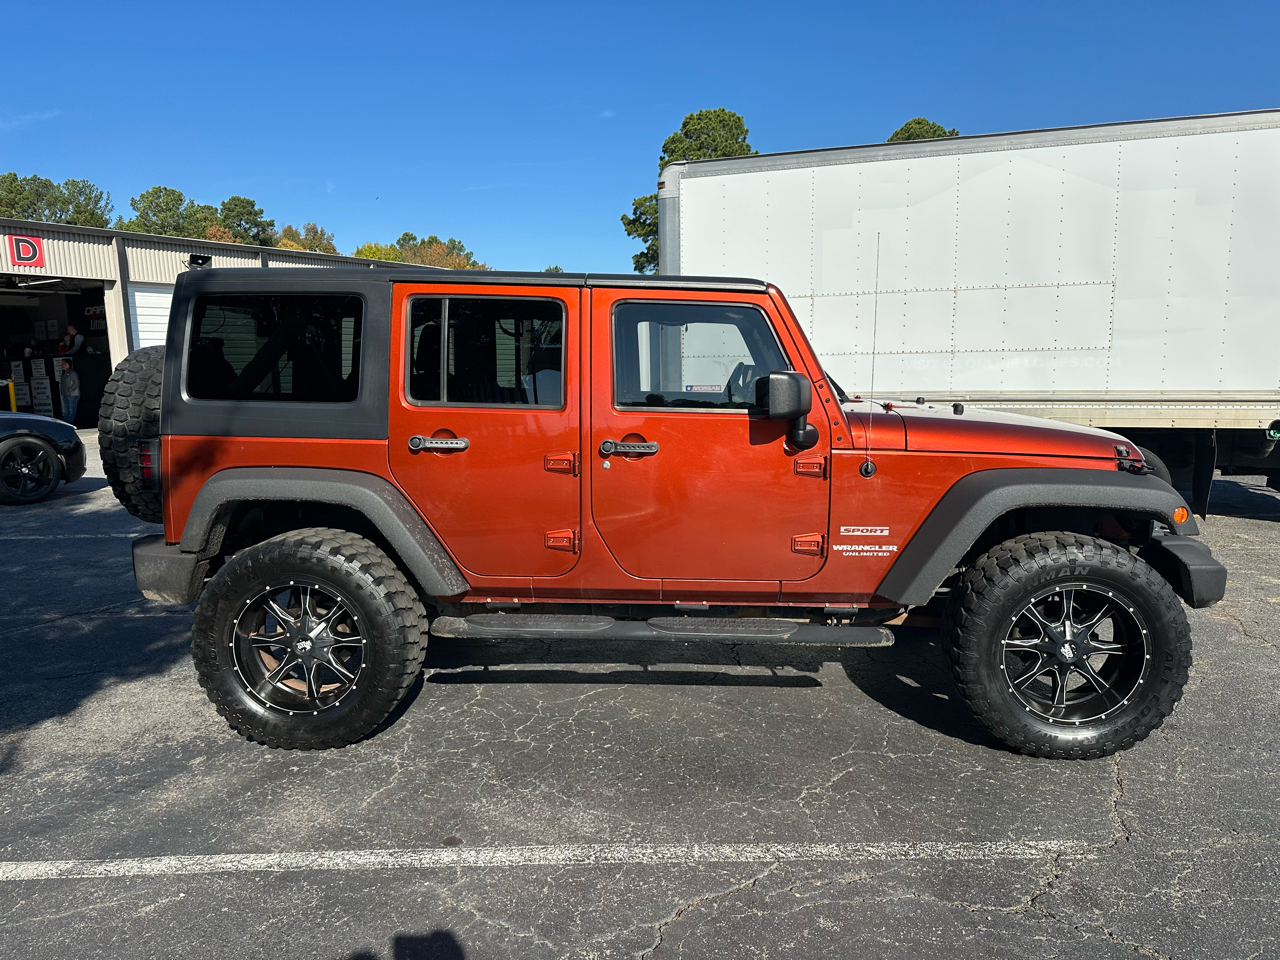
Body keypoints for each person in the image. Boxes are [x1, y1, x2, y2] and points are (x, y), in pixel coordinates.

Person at [60, 359, 80, 424]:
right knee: (66, 410)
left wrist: (71, 389)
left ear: (67, 364)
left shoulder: (72, 372)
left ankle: (70, 423)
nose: (61, 365)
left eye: (63, 364)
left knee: (71, 410)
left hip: (72, 395)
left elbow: (76, 382)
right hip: (65, 394)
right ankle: (66, 423)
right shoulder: (64, 373)